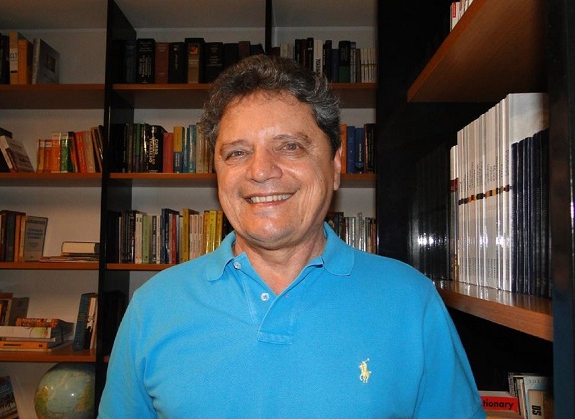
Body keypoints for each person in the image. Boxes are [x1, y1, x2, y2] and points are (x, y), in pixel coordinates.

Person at [98, 54, 486, 418]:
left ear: (335, 166)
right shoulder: (153, 307)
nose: (261, 171)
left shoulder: (411, 302)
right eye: (237, 153)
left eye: (290, 146)